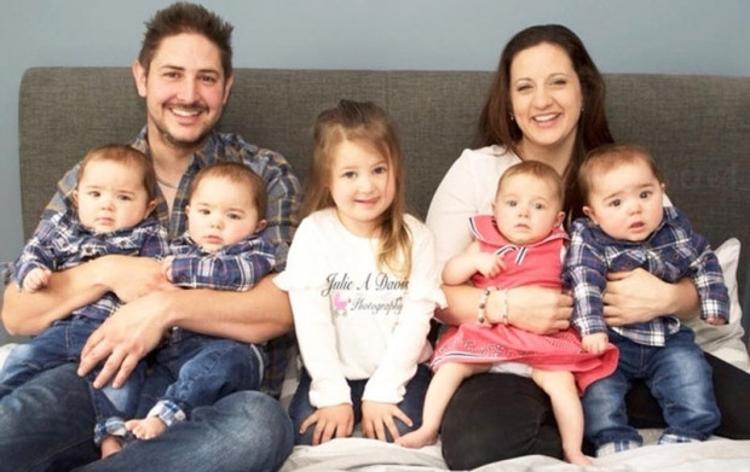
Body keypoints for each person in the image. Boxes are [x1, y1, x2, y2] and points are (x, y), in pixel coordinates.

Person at [425, 24, 750, 469]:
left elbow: (689, 263)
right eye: (525, 87)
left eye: (558, 82)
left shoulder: (620, 172)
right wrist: (503, 306)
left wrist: (670, 298)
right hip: (509, 357)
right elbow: (430, 292)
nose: (542, 100)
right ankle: (568, 425)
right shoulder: (477, 171)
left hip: (619, 354)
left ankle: (590, 417)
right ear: (509, 103)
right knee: (480, 446)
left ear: (584, 91)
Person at [0, 3, 299, 471]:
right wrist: (108, 271)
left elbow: (280, 308)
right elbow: (18, 313)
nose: (189, 94)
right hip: (97, 378)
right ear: (141, 78)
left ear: (226, 87)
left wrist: (164, 307)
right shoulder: (98, 178)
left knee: (261, 426)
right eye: (172, 74)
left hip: (212, 395)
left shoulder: (263, 174)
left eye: (206, 78)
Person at [398, 161, 617, 465]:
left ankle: (573, 448)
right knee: (452, 368)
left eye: (538, 206)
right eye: (512, 204)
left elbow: (584, 281)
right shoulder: (484, 242)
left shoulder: (562, 248)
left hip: (541, 342)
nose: (523, 213)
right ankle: (429, 427)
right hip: (490, 334)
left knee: (563, 385)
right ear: (495, 209)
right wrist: (474, 263)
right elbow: (448, 277)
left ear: (557, 219)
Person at [276, 100, 444, 446]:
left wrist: (383, 391)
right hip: (333, 371)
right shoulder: (314, 233)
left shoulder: (417, 237)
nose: (367, 187)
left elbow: (415, 323)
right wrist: (331, 394)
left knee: (400, 430)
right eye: (350, 174)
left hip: (401, 372)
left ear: (396, 169)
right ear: (327, 179)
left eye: (378, 170)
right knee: (309, 434)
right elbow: (312, 321)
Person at [0, 145, 167, 458]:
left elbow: (158, 282)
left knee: (120, 383)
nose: (106, 205)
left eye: (124, 198)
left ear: (148, 208)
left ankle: (112, 438)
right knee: (23, 361)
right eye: (95, 195)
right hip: (62, 329)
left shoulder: (149, 235)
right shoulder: (65, 226)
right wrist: (33, 271)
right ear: (77, 198)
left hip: (112, 336)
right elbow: (33, 257)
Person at [566, 144, 726, 455]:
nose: (635, 209)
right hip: (611, 340)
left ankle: (689, 431)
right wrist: (592, 329)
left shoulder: (675, 230)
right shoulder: (589, 239)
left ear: (662, 192)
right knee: (597, 387)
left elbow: (704, 260)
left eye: (645, 195)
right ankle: (612, 437)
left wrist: (713, 304)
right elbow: (583, 280)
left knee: (691, 375)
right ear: (592, 214)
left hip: (667, 335)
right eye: (616, 202)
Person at [124, 162, 275, 445]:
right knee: (144, 399)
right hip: (171, 356)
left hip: (232, 348)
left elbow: (239, 277)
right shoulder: (175, 250)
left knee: (217, 363)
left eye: (233, 215)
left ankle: (169, 413)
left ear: (258, 226)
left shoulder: (253, 252)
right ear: (188, 214)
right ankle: (133, 444)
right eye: (205, 212)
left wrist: (181, 271)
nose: (216, 223)